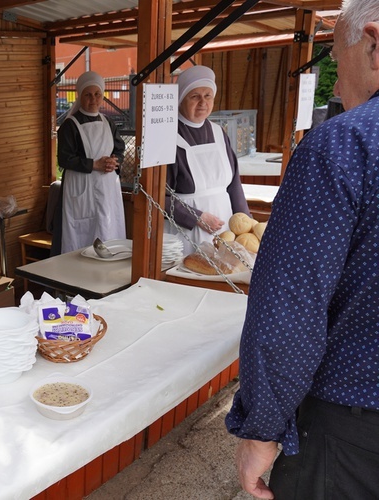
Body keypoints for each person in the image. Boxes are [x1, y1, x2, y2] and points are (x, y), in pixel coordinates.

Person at [225, 2, 379, 498]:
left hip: (350, 432)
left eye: (338, 59)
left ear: (374, 45)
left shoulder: (344, 145)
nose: (334, 83)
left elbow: (290, 308)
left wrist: (261, 428)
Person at [165, 65, 250, 255]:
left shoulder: (219, 132)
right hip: (186, 234)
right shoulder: (168, 137)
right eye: (194, 96)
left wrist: (246, 225)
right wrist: (196, 216)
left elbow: (234, 185)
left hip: (225, 229)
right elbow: (157, 195)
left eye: (208, 95)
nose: (203, 102)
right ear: (180, 99)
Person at [53, 70, 126, 255]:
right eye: (88, 95)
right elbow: (65, 158)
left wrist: (114, 162)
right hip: (80, 188)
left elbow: (119, 148)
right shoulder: (70, 125)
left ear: (102, 96)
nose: (93, 99)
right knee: (81, 235)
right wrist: (94, 165)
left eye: (97, 94)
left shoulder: (108, 122)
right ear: (80, 96)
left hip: (107, 187)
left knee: (108, 228)